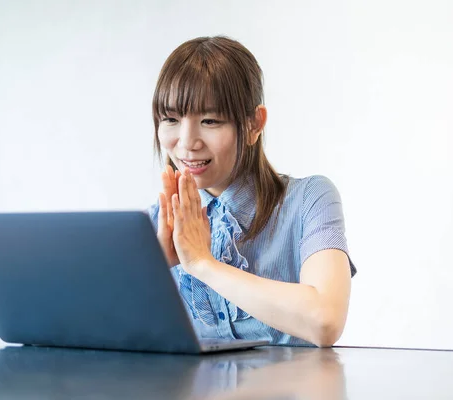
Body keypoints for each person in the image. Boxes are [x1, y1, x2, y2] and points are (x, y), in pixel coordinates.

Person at [147, 36, 356, 347]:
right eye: (171, 120)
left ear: (254, 124)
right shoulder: (158, 221)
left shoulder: (309, 199)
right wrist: (153, 272)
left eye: (210, 120)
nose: (187, 142)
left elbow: (324, 320)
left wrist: (203, 263)